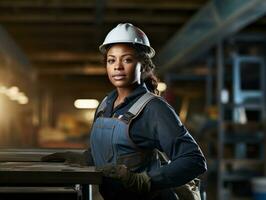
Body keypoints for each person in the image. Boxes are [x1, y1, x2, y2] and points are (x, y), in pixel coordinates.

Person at [42, 23, 207, 200]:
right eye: (111, 60)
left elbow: (194, 160)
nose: (117, 66)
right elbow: (112, 156)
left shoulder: (154, 108)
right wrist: (81, 159)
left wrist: (144, 180)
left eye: (127, 59)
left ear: (143, 66)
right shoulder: (105, 105)